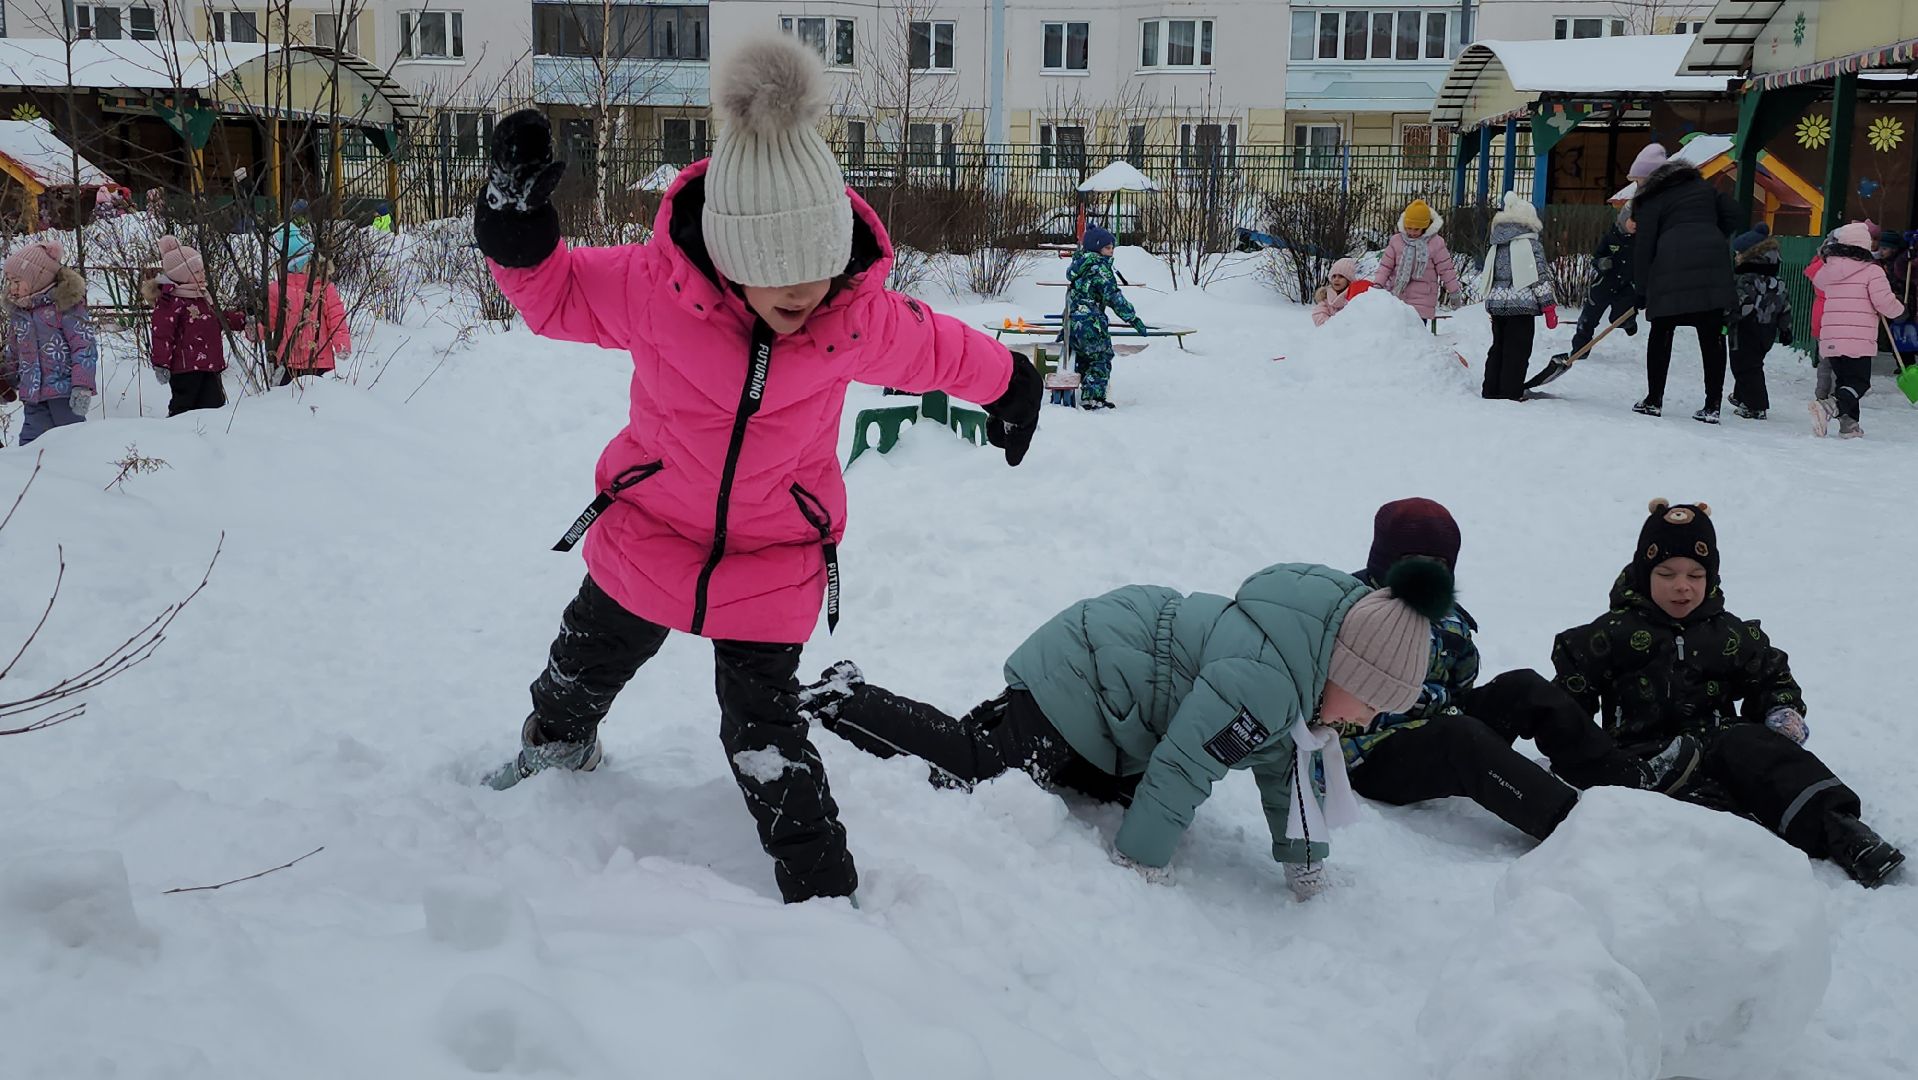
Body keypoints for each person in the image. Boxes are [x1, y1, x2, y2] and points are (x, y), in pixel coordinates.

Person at [471, 37, 1041, 906]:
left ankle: (820, 890)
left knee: (764, 728)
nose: (805, 294)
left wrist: (1010, 384)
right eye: (781, 279)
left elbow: (934, 348)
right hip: (653, 525)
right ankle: (557, 742)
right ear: (732, 254)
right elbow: (556, 298)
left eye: (820, 270)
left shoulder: (849, 315)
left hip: (775, 551)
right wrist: (517, 236)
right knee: (584, 658)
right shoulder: (652, 288)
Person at [799, 559, 1454, 900]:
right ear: (1350, 669)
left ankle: (1011, 732)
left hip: (1120, 692)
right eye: (1371, 703)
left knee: (1103, 789)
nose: (1366, 719)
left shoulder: (1303, 668)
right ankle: (846, 700)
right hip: (1087, 675)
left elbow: (1285, 772)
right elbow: (1183, 769)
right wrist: (1140, 861)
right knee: (981, 769)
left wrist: (1304, 865)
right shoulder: (1267, 679)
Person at [1552, 500, 1903, 887]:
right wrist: (1573, 737)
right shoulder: (1610, 633)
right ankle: (1701, 847)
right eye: (1666, 573)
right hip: (1642, 760)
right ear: (1642, 572)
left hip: (1718, 748)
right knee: (1691, 821)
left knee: (1757, 752)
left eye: (1696, 575)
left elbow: (1771, 676)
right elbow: (1571, 693)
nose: (1682, 586)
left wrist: (1780, 710)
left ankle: (1842, 831)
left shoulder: (1729, 634)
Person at [1340, 499, 1700, 844]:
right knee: (1460, 736)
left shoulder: (1445, 614)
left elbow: (1462, 681)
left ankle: (1621, 777)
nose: (1428, 571)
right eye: (1413, 559)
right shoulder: (1352, 609)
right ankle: (1574, 826)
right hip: (1372, 753)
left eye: (1438, 562)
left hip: (1432, 729)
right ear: (1386, 558)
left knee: (1522, 687)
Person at [1627, 143, 1743, 423]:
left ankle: (1654, 400)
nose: (1637, 185)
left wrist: (1641, 290)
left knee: (1662, 331)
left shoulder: (1651, 199)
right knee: (1712, 335)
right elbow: (1736, 214)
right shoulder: (1703, 188)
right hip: (1712, 265)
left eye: (1639, 180)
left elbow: (1644, 247)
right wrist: (1710, 234)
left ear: (1652, 177)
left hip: (1670, 265)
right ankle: (1712, 405)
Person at [1808, 221, 1904, 439]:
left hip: (1831, 337)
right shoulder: (1872, 270)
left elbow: (1820, 284)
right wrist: (1900, 311)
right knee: (1859, 382)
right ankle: (1829, 407)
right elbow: (1883, 301)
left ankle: (1849, 426)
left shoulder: (1829, 269)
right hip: (1857, 338)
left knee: (1845, 381)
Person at [2, 239, 96, 444]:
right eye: (10, 282)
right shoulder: (20, 314)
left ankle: (83, 473)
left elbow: (84, 347)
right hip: (33, 394)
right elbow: (13, 353)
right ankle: (30, 475)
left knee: (73, 442)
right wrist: (5, 382)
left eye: (17, 281)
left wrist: (82, 385)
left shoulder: (65, 306)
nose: (12, 288)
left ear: (38, 277)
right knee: (30, 446)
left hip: (65, 393)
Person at [146, 236, 245, 415]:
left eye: (202, 270)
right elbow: (162, 334)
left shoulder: (202, 297)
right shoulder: (171, 301)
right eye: (197, 272)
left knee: (214, 406)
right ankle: (177, 435)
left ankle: (210, 437)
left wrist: (242, 320)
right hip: (185, 368)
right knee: (184, 406)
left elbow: (219, 318)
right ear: (182, 275)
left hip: (210, 365)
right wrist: (161, 363)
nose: (202, 274)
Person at [1475, 192, 1557, 402]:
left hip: (1497, 306)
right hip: (1521, 308)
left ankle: (1491, 389)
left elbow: (1491, 276)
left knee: (1498, 348)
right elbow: (1539, 277)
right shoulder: (1530, 246)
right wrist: (1548, 307)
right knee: (1517, 351)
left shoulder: (1497, 244)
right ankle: (1510, 391)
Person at [1065, 225, 1146, 410]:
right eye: (1108, 248)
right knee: (1101, 357)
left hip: (1074, 321)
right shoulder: (1100, 268)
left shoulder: (1080, 265)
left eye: (1112, 248)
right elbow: (1114, 297)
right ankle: (1093, 398)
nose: (1111, 252)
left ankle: (1086, 393)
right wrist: (1132, 318)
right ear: (1096, 248)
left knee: (1085, 358)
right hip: (1091, 322)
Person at [257, 229, 349, 385]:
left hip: (316, 357)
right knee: (288, 398)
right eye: (309, 263)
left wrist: (342, 343)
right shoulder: (278, 289)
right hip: (289, 356)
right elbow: (270, 321)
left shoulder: (323, 287)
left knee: (312, 396)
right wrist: (257, 331)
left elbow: (336, 317)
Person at [1725, 225, 1792, 421]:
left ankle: (1756, 405)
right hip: (1767, 330)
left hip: (1746, 328)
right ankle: (1741, 396)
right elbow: (1784, 306)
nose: (1736, 256)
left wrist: (1726, 317)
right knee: (1752, 363)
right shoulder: (1776, 281)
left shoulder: (1746, 279)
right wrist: (1786, 329)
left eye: (1738, 253)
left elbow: (1741, 304)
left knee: (1744, 366)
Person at [1370, 198, 1462, 323]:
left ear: (1425, 227)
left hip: (1422, 299)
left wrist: (1454, 291)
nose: (1412, 232)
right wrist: (1378, 284)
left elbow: (1446, 270)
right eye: (1409, 228)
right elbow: (1385, 266)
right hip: (1398, 296)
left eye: (1416, 229)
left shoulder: (1435, 243)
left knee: (1415, 336)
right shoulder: (1396, 241)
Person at [1569, 203, 1639, 357]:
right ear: (1623, 219)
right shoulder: (1610, 237)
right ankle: (1580, 350)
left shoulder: (1640, 242)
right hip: (1605, 284)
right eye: (1633, 220)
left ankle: (1628, 322)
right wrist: (1601, 263)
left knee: (1622, 314)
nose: (1636, 224)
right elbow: (1597, 257)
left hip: (1626, 286)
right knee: (1588, 318)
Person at [1310, 257, 1362, 326]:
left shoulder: (1354, 297)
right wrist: (1332, 326)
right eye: (1334, 276)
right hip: (1331, 333)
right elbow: (1318, 314)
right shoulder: (1326, 297)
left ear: (1349, 280)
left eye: (1341, 276)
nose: (1336, 279)